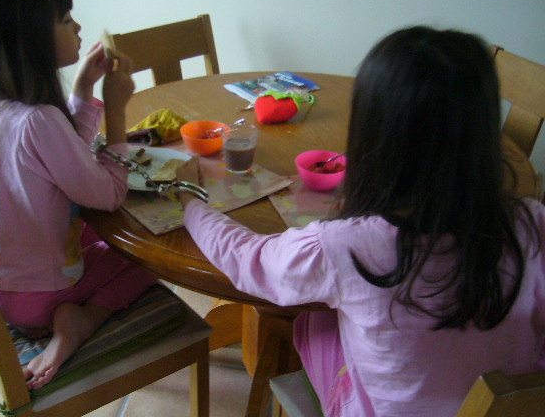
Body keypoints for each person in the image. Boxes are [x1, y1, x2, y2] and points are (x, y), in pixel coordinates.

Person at [176, 26, 545, 416]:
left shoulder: (343, 246)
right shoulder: (533, 222)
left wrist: (190, 199)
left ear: (373, 135)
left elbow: (247, 258)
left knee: (312, 319)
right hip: (508, 408)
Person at [0, 0, 157, 390]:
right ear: (30, 36)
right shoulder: (39, 119)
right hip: (38, 297)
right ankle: (82, 322)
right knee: (150, 256)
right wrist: (117, 111)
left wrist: (84, 88)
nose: (78, 27)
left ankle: (67, 311)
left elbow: (61, 158)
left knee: (95, 234)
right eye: (65, 19)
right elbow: (108, 195)